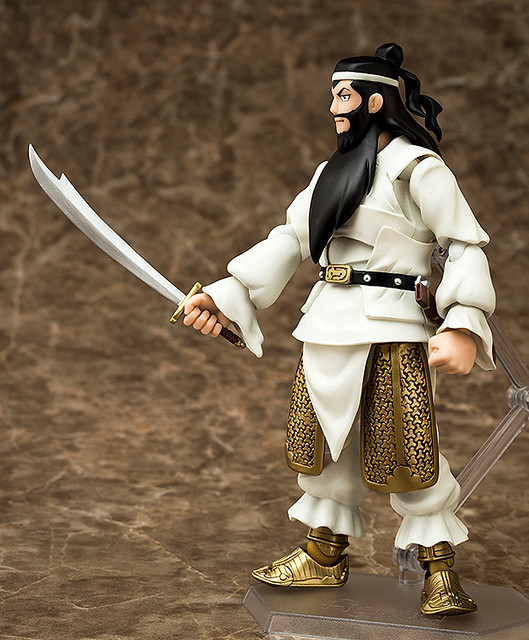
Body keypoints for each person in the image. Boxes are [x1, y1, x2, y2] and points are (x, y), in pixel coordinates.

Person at [183, 43, 495, 616]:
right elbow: (289, 239)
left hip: (392, 325)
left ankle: (440, 569)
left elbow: (462, 245)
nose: (333, 108)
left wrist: (463, 323)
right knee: (323, 445)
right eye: (332, 95)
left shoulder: (418, 169)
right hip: (326, 322)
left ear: (376, 101)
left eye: (343, 96)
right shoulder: (329, 173)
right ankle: (323, 554)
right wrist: (229, 295)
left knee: (407, 447)